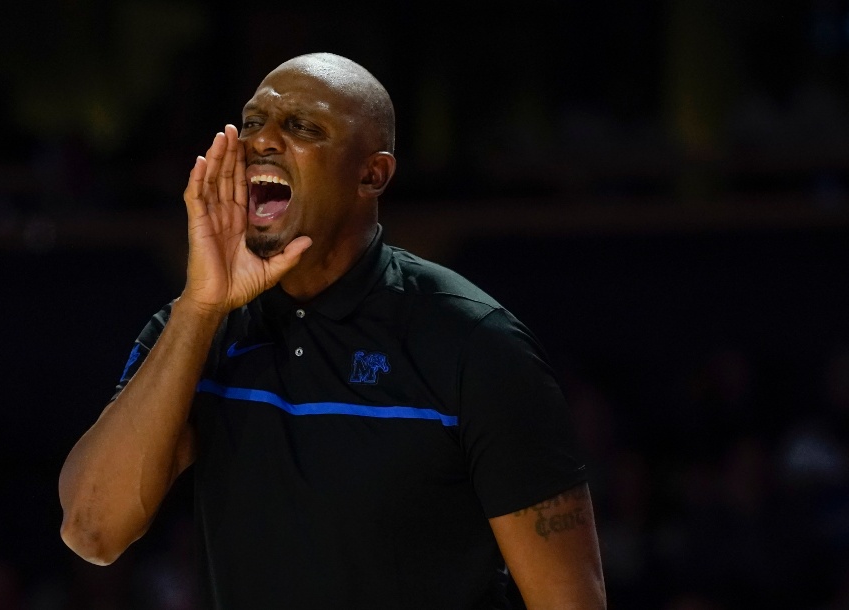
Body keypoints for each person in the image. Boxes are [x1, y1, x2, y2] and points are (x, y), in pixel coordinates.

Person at [58, 53, 606, 609]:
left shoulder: (474, 344)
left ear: (372, 174)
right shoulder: (195, 330)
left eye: (302, 127)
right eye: (252, 122)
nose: (261, 141)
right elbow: (92, 530)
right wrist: (199, 307)